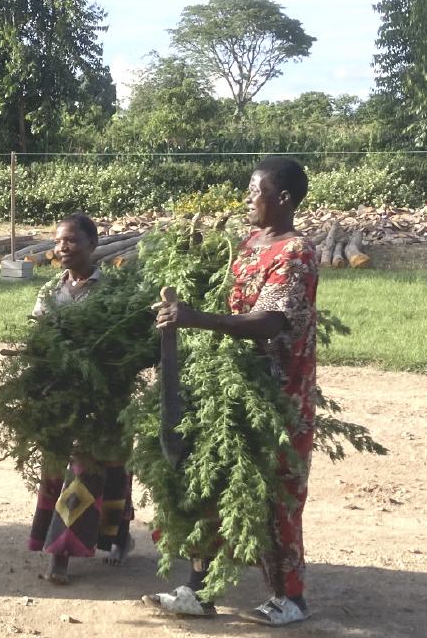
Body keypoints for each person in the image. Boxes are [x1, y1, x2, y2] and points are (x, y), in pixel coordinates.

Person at [144, 156, 320, 626]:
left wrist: (197, 319)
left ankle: (290, 597)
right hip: (227, 384)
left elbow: (270, 321)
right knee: (211, 480)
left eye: (254, 191)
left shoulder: (295, 252)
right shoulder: (249, 243)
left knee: (274, 492)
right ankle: (199, 591)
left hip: (277, 395)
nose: (247, 198)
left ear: (283, 198)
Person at [27, 213, 137, 585]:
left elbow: (126, 343)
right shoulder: (49, 292)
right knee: (63, 470)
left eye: (71, 241)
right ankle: (60, 552)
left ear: (93, 244)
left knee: (109, 469)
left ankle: (119, 537)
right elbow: (37, 340)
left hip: (103, 398)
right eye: (58, 242)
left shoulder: (112, 290)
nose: (62, 248)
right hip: (62, 397)